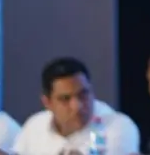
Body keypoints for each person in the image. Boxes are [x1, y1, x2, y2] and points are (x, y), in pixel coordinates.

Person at [10, 57, 140, 154]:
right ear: (47, 103)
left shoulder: (116, 126)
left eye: (83, 94)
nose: (77, 106)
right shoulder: (35, 126)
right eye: (65, 99)